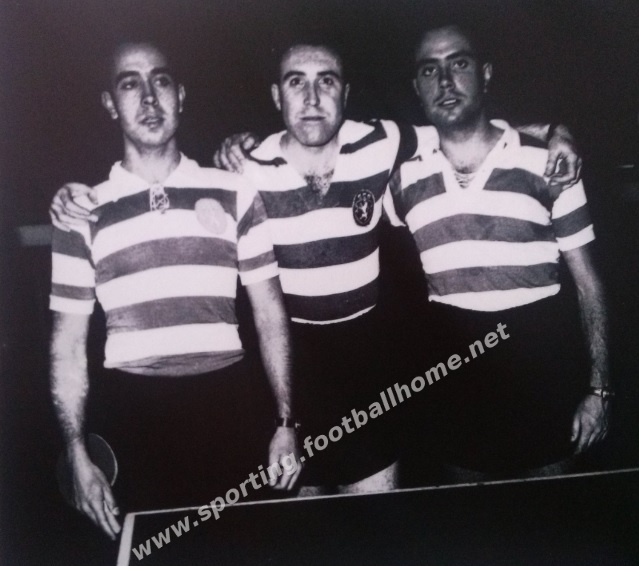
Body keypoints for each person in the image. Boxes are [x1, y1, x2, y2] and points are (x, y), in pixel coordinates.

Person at [49, 39, 581, 495]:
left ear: (346, 94)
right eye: (295, 82)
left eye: (326, 81)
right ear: (276, 96)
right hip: (292, 369)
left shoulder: (384, 142)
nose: (310, 97)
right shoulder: (244, 170)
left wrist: (555, 130)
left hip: (370, 369)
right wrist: (72, 195)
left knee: (377, 521)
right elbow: (169, 185)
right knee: (302, 529)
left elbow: (463, 128)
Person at [49, 41, 300, 540]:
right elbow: (67, 346)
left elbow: (271, 315)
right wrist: (76, 451)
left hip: (229, 409)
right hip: (133, 416)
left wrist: (286, 422)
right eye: (130, 84)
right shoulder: (82, 211)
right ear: (110, 104)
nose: (148, 98)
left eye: (160, 81)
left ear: (181, 95)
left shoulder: (234, 190)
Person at [386, 23, 611, 481]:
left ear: (485, 74)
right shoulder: (401, 176)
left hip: (543, 369)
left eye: (459, 64)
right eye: (429, 70)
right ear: (416, 87)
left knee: (551, 517)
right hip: (454, 374)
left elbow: (589, 284)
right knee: (471, 517)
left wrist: (600, 391)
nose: (445, 81)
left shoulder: (549, 164)